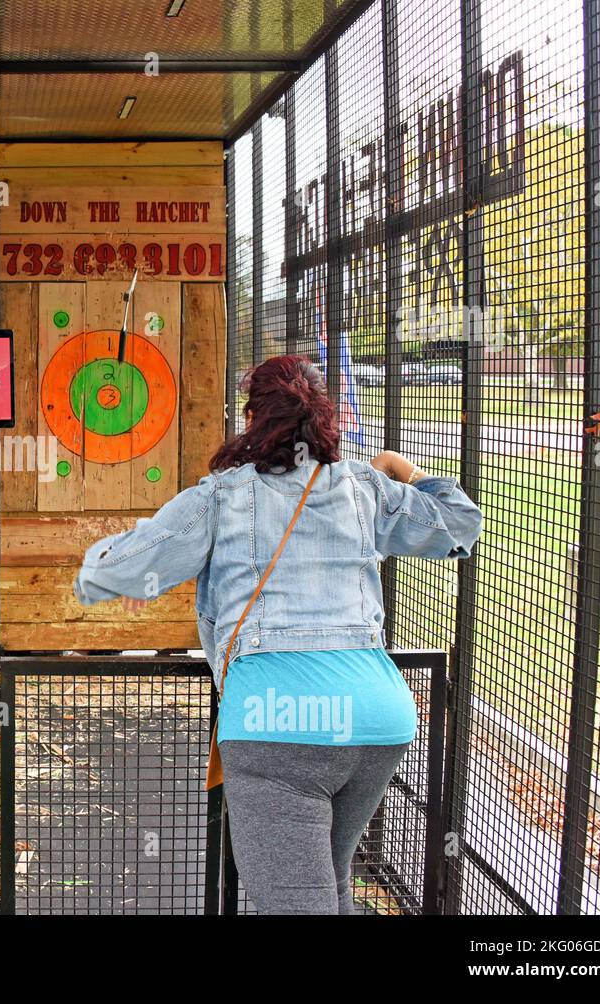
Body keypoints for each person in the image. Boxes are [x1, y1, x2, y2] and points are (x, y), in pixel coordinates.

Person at [73, 355, 482, 915]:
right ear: (326, 416)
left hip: (279, 722)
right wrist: (405, 471)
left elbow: (118, 569)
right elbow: (458, 527)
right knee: (330, 887)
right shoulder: (365, 486)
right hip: (378, 718)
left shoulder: (221, 496)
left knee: (297, 902)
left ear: (252, 417)